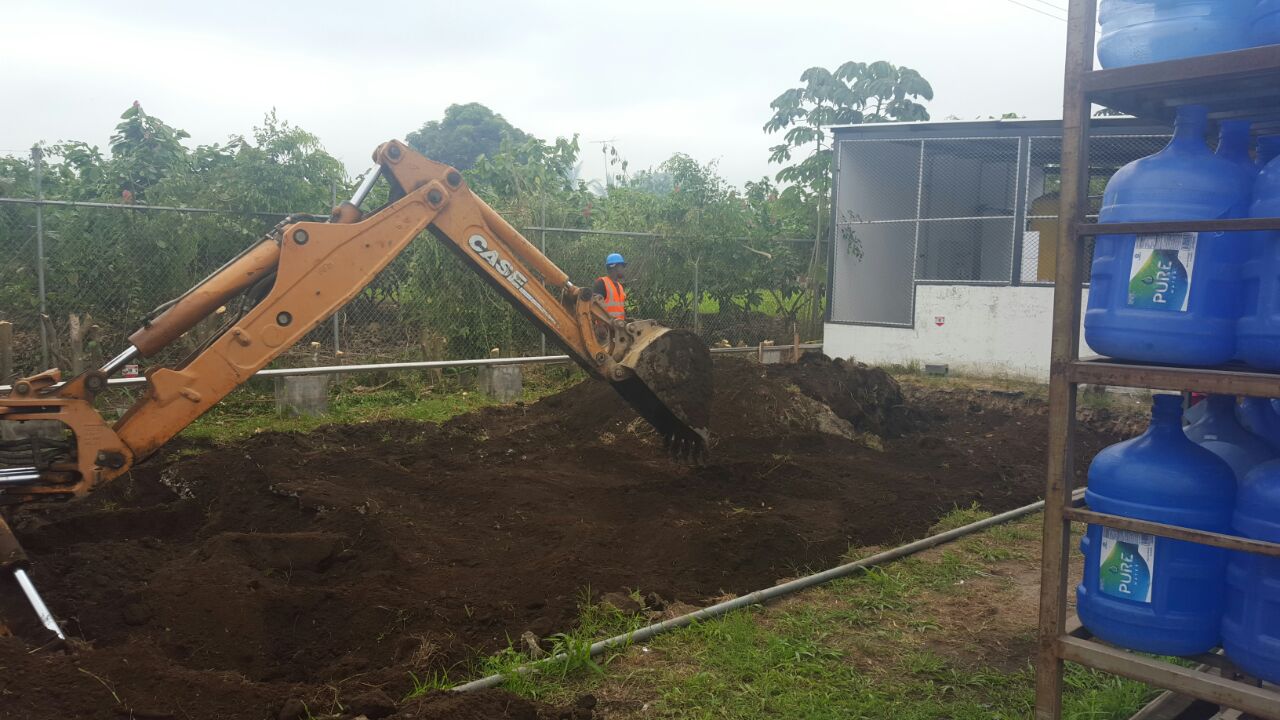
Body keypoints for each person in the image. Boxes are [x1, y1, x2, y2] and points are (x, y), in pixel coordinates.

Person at [593, 252, 627, 320]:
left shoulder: (620, 286)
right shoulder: (601, 283)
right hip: (605, 325)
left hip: (620, 325)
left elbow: (620, 309)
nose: (624, 269)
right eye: (622, 266)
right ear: (616, 267)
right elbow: (595, 308)